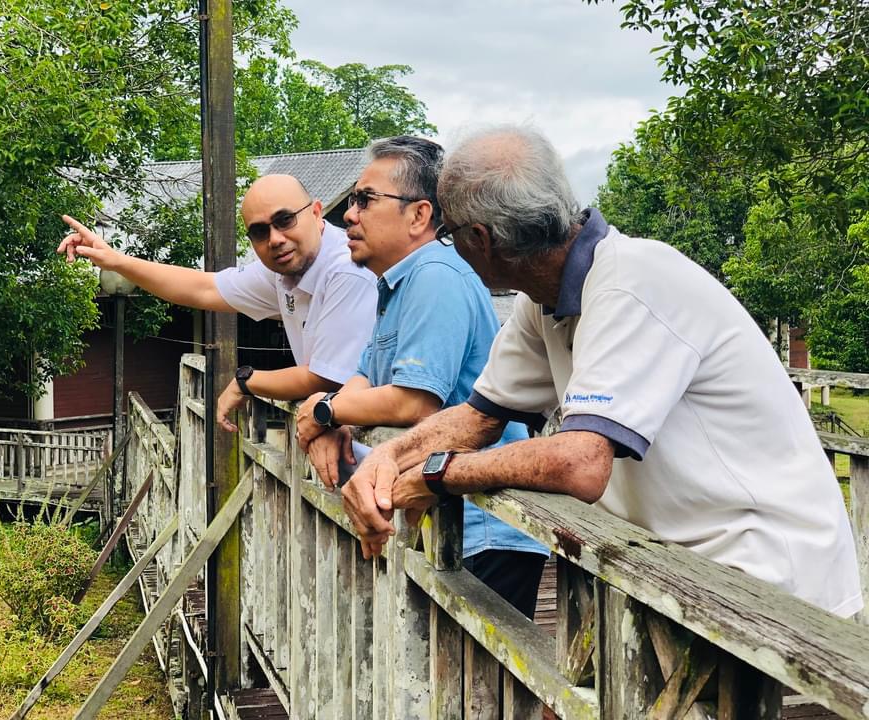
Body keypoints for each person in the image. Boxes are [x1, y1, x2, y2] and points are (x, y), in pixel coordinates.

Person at [341, 125, 863, 618]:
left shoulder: (631, 281)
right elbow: (478, 417)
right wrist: (388, 459)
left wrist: (439, 475)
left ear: (481, 239)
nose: (449, 247)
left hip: (764, 574)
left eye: (449, 234)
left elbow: (579, 463)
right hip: (676, 565)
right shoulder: (543, 298)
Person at [294, 136, 549, 619]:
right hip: (445, 522)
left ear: (418, 215)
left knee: (472, 671)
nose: (349, 215)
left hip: (482, 528)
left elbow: (415, 401)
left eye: (365, 199)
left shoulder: (436, 275)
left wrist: (323, 410)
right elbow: (363, 377)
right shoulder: (397, 283)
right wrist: (332, 416)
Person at [58, 174, 378, 431]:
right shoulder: (285, 270)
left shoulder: (347, 270)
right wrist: (115, 260)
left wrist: (246, 381)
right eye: (260, 232)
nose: (275, 239)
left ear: (316, 212)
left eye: (285, 220)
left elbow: (327, 376)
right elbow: (204, 289)